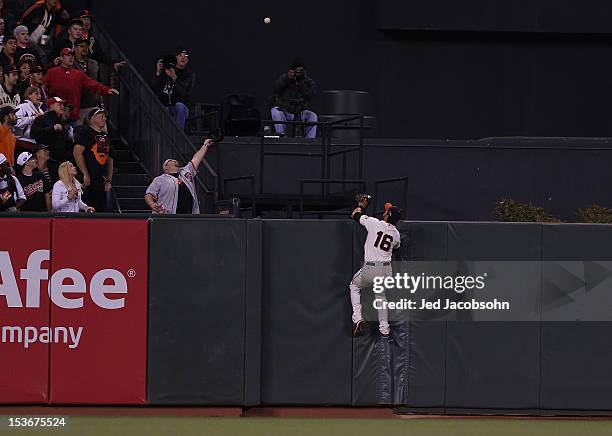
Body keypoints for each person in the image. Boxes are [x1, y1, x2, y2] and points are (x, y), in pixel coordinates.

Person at [350, 197, 402, 338]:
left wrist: (361, 205)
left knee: (354, 286)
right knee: (381, 296)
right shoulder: (396, 234)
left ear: (387, 215)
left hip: (371, 269)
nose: (384, 212)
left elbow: (355, 214)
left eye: (387, 211)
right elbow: (396, 245)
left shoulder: (374, 223)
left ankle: (358, 319)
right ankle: (384, 329)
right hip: (386, 271)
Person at [43, 47, 118, 124]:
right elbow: (42, 86)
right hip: (56, 116)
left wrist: (106, 90)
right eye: (68, 55)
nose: (71, 57)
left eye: (72, 55)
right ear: (61, 58)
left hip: (73, 116)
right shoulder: (52, 72)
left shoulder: (78, 74)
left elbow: (92, 84)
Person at [144, 138, 213, 214]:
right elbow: (149, 194)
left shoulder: (186, 171)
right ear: (165, 167)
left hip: (189, 215)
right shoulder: (160, 179)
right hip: (167, 215)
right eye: (170, 161)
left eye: (174, 160)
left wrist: (205, 145)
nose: (174, 160)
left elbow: (196, 159)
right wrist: (152, 204)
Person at [73, 107, 112, 212]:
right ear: (93, 118)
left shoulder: (106, 136)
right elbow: (77, 153)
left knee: (100, 211)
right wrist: (85, 173)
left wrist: (108, 180)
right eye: (101, 116)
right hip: (86, 180)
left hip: (101, 181)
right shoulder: (84, 132)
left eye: (105, 117)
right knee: (86, 209)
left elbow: (110, 159)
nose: (104, 119)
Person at [271, 58, 318, 139]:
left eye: (301, 71)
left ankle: (310, 141)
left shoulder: (308, 81)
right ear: (292, 70)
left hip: (300, 111)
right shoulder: (285, 78)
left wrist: (301, 84)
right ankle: (282, 139)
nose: (298, 73)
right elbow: (276, 89)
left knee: (313, 116)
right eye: (297, 71)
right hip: (285, 109)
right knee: (275, 112)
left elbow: (311, 95)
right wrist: (287, 79)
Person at [30, 96, 71, 180]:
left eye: (62, 105)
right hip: (48, 162)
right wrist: (52, 128)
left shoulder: (61, 121)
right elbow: (33, 134)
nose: (62, 107)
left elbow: (65, 142)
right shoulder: (41, 118)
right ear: (51, 106)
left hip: (62, 161)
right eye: (59, 104)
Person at [152, 54, 191, 129]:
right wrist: (158, 73)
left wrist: (174, 77)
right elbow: (154, 89)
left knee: (179, 106)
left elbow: (184, 93)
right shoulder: (161, 76)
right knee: (163, 109)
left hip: (179, 107)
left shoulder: (183, 75)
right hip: (164, 107)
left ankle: (178, 135)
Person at [73, 37, 101, 124]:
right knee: (78, 133)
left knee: (100, 131)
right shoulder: (70, 63)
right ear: (75, 48)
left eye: (86, 46)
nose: (84, 49)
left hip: (92, 104)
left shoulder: (94, 64)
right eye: (81, 46)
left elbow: (98, 83)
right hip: (77, 106)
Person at [14, 86, 44, 155]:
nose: (39, 96)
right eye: (36, 93)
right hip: (22, 143)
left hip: (36, 144)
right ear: (29, 95)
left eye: (40, 94)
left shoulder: (41, 111)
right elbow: (16, 122)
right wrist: (32, 118)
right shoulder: (22, 106)